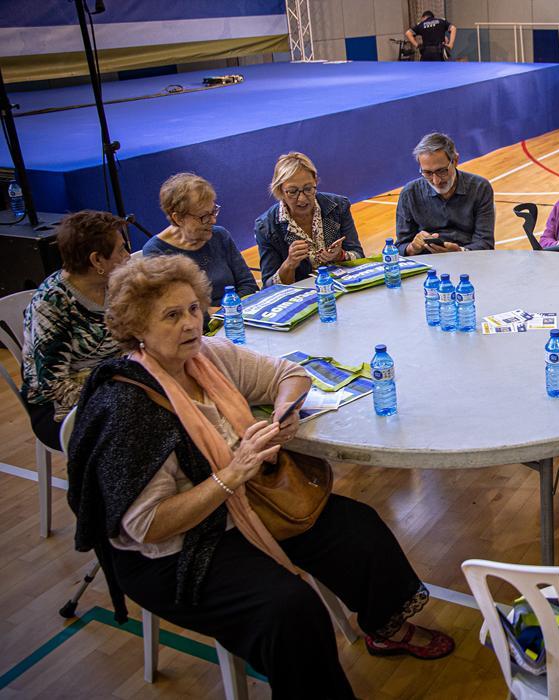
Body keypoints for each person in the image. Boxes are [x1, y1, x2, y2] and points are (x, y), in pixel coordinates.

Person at [67, 255, 456, 699]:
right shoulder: (129, 408)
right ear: (137, 327)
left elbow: (288, 374)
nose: (191, 324)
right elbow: (146, 525)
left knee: (358, 529)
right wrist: (231, 475)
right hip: (177, 551)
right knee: (289, 611)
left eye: (194, 308)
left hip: (243, 505)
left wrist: (285, 412)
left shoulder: (206, 357)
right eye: (171, 316)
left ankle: (386, 628)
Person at [20, 210, 129, 450]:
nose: (128, 255)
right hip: (58, 407)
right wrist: (121, 394)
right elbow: (53, 385)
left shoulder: (114, 285)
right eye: (121, 249)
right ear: (97, 261)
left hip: (113, 383)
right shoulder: (51, 304)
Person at [142, 173, 257, 306]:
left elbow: (249, 287)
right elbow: (172, 310)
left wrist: (226, 312)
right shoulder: (156, 252)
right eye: (204, 216)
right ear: (178, 218)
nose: (213, 220)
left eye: (213, 211)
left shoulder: (220, 235)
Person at [253, 152, 364, 287]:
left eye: (308, 189)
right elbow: (269, 287)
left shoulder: (338, 206)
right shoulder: (266, 227)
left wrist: (340, 255)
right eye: (292, 192)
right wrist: (289, 264)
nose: (302, 199)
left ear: (316, 182)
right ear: (280, 191)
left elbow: (359, 257)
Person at [395, 132, 495, 255]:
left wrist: (460, 251)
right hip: (427, 264)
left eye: (442, 171)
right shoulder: (409, 193)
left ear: (455, 160)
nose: (436, 180)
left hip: (468, 259)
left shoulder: (480, 188)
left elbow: (485, 244)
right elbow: (399, 247)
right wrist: (412, 247)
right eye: (427, 173)